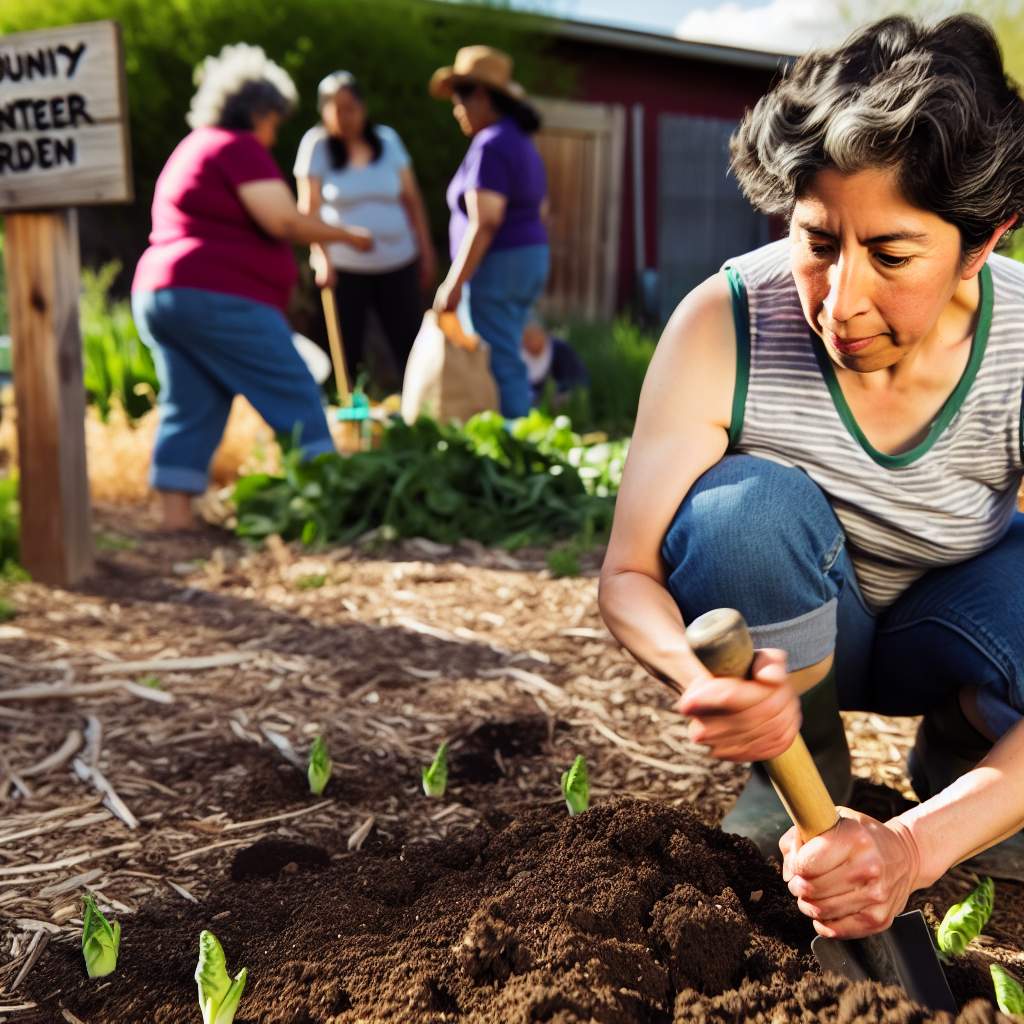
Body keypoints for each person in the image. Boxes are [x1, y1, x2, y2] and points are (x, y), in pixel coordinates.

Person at [598, 14, 1024, 942]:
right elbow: (628, 573)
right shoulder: (724, 319)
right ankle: (802, 769)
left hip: (952, 621)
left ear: (984, 241)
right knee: (736, 515)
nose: (841, 299)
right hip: (793, 635)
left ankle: (965, 756)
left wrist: (915, 849)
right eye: (819, 241)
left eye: (893, 255)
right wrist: (707, 683)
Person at [132, 44, 373, 531]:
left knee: (192, 403)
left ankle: (174, 517)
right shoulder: (236, 147)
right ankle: (327, 505)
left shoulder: (193, 146)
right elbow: (281, 219)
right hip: (220, 295)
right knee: (296, 392)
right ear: (258, 111)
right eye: (274, 121)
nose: (272, 132)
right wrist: (347, 235)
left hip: (164, 293)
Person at [430, 46, 549, 419]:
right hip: (525, 259)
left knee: (499, 361)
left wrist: (453, 283)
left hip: (500, 264)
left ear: (481, 95)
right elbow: (540, 209)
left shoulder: (491, 144)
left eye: (460, 97)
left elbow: (487, 220)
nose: (456, 108)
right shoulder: (518, 142)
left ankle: (519, 451)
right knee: (506, 353)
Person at [295, 71, 435, 388]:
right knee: (345, 349)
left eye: (349, 108)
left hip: (398, 261)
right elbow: (309, 210)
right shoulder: (316, 146)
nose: (343, 116)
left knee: (409, 341)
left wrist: (425, 252)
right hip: (345, 267)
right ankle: (347, 405)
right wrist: (323, 258)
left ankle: (416, 403)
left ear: (363, 107)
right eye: (334, 108)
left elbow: (412, 201)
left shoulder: (388, 141)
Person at [521, 320, 589, 407]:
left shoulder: (561, 350)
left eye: (531, 338)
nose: (527, 343)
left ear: (542, 334)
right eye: (525, 338)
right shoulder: (518, 352)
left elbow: (577, 380)